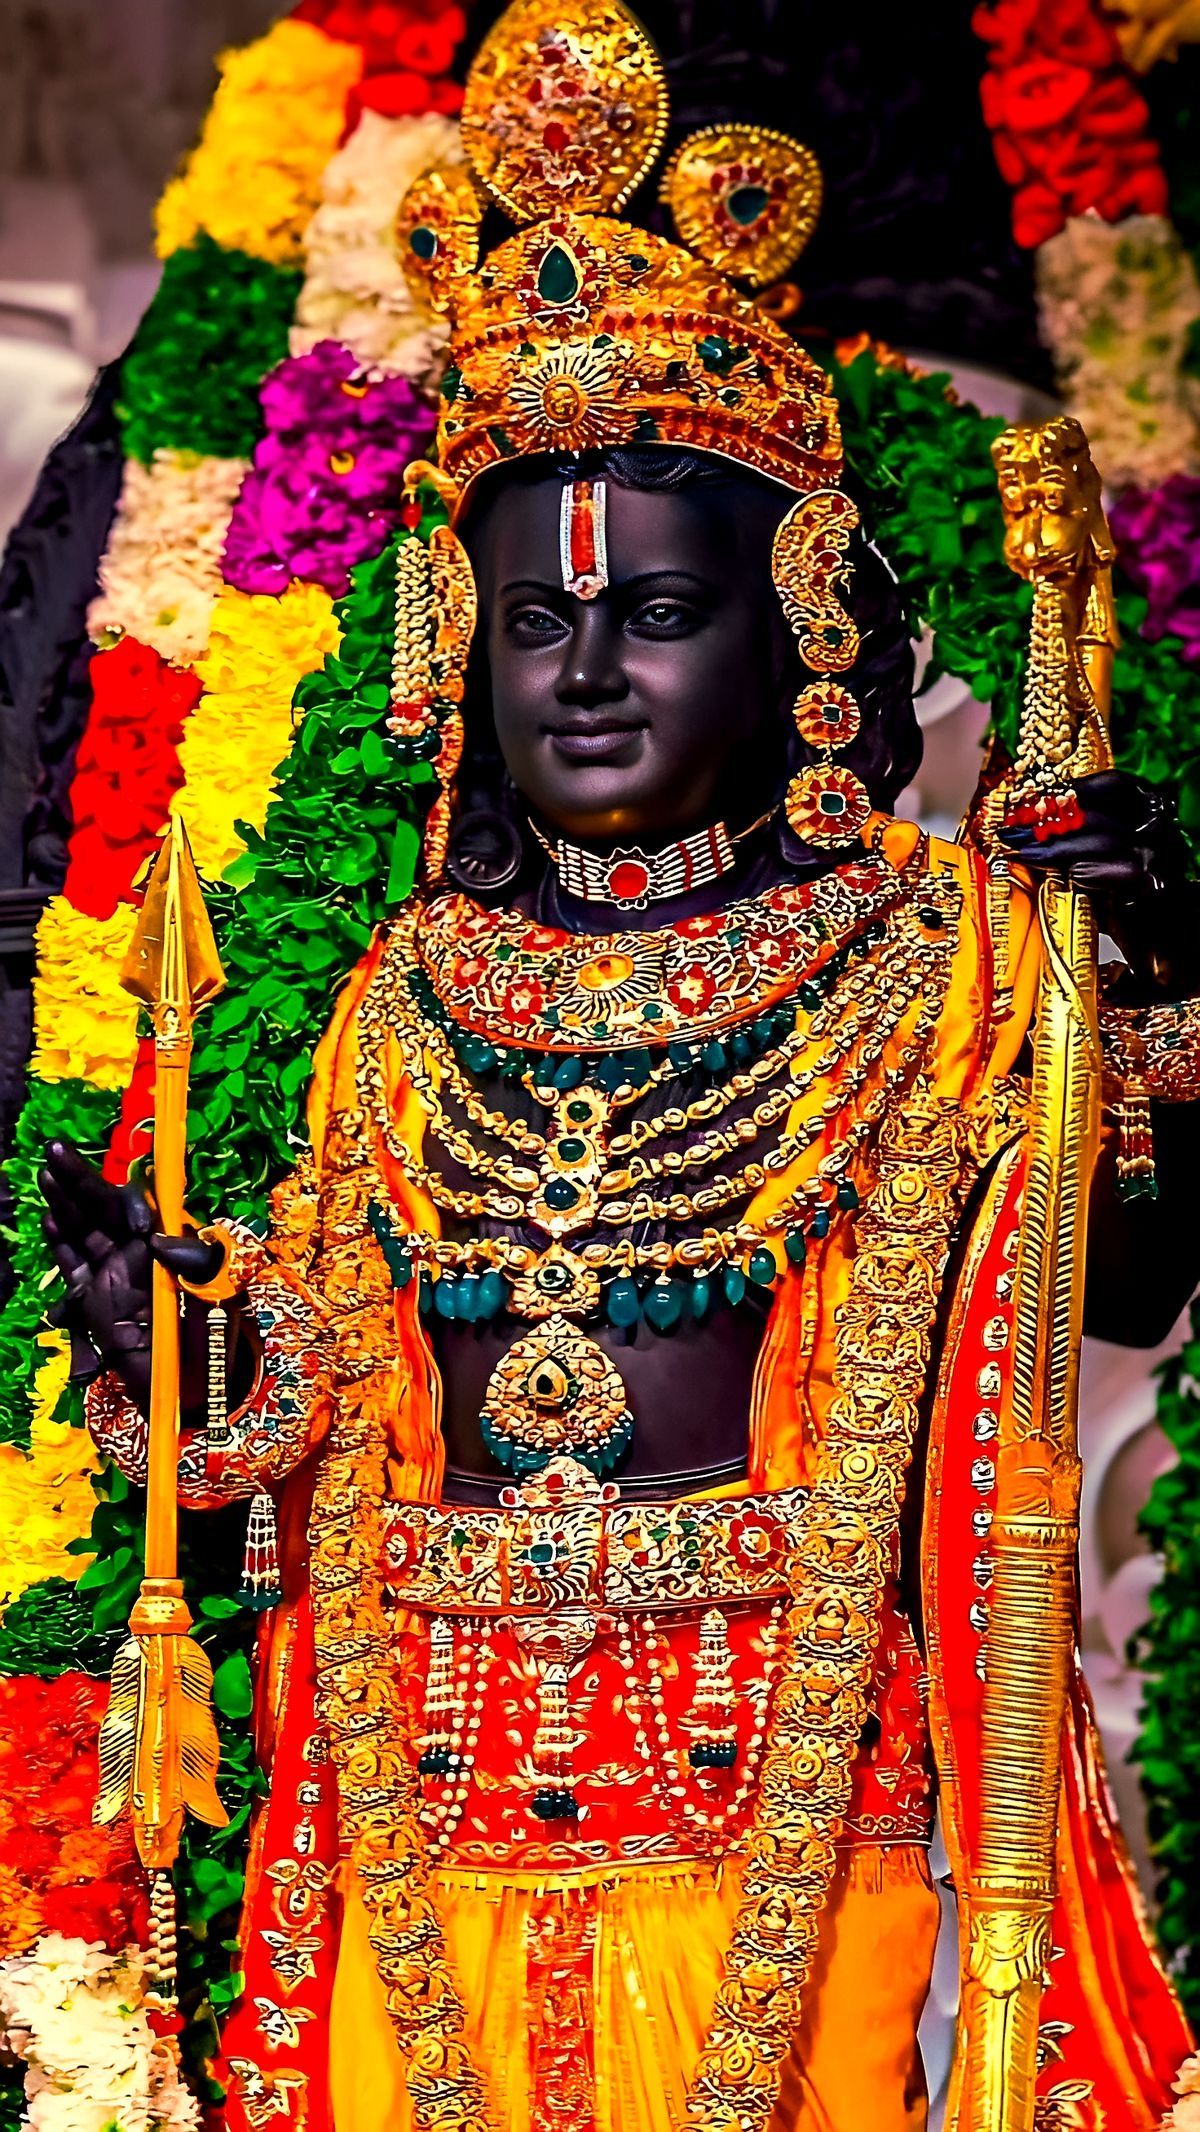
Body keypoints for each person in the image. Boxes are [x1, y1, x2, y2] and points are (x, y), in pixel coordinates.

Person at [36, 3, 1200, 2126]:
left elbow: (1112, 1289)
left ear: (801, 636)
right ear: (453, 648)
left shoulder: (936, 947)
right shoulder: (406, 999)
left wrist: (1139, 969)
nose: (582, 671)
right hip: (421, 1785)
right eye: (533, 624)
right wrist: (175, 1334)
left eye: (656, 616)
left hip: (786, 1768)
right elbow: (319, 1416)